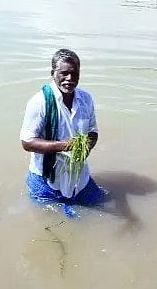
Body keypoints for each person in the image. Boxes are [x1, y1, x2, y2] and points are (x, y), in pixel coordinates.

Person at [20, 49, 105, 213]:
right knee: (48, 218)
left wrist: (88, 145)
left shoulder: (86, 99)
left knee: (100, 202)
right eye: (64, 73)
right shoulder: (39, 102)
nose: (70, 79)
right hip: (46, 179)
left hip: (79, 176)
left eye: (74, 74)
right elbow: (27, 142)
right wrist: (66, 145)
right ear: (53, 73)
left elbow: (93, 131)